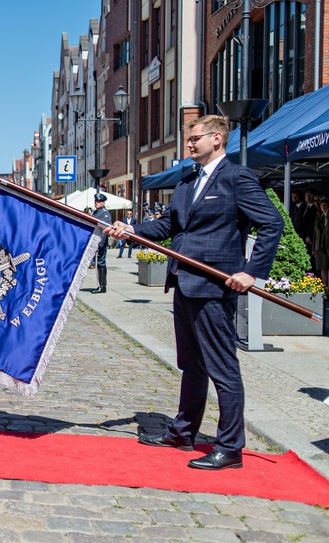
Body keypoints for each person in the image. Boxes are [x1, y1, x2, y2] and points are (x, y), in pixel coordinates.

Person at [107, 115, 282, 471]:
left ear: (217, 139)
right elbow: (170, 226)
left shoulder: (237, 178)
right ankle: (183, 432)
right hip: (184, 282)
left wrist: (251, 273)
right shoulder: (187, 182)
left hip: (215, 286)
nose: (188, 145)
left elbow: (271, 223)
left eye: (194, 139)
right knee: (191, 363)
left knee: (222, 368)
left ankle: (230, 447)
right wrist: (132, 229)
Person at [90, 194, 111, 293]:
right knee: (99, 263)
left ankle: (102, 286)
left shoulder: (105, 213)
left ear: (103, 203)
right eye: (96, 201)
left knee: (101, 262)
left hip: (101, 241)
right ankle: (100, 285)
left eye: (99, 202)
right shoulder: (96, 212)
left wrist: (100, 244)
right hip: (96, 240)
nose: (96, 203)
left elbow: (104, 230)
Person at [313, 197, 329, 289]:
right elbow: (315, 234)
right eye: (321, 205)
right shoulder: (319, 216)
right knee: (322, 267)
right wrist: (314, 248)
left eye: (325, 205)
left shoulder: (327, 216)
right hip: (319, 245)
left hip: (327, 245)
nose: (323, 206)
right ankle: (324, 288)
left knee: (328, 267)